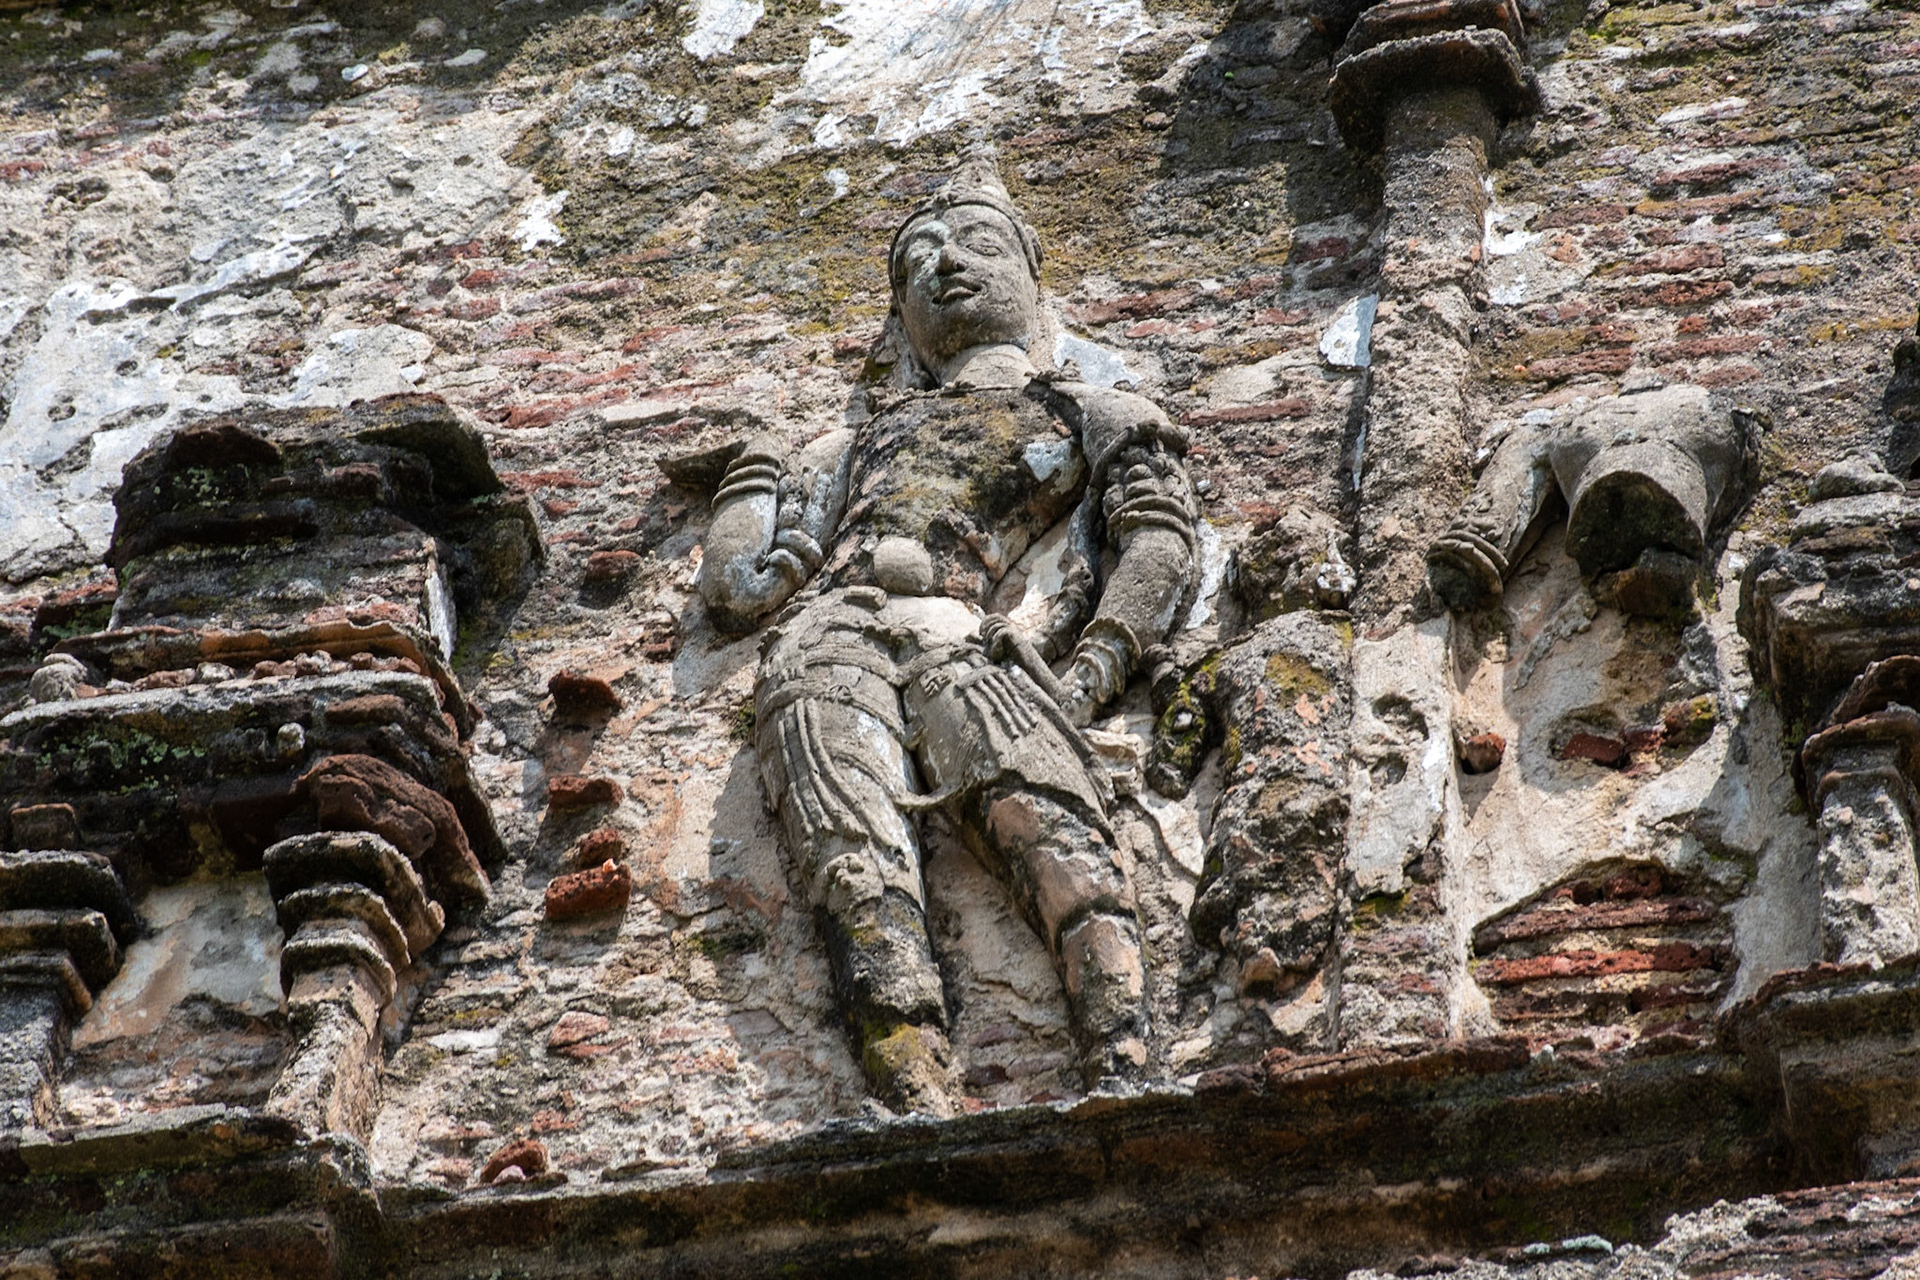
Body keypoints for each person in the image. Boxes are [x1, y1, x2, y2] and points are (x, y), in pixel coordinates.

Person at [699, 159, 1199, 1114]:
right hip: (826, 637)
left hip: (965, 632)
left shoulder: (1091, 408)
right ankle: (911, 1089)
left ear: (1030, 272)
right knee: (854, 864)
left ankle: (1123, 1066)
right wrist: (756, 480)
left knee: (1049, 816)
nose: (945, 268)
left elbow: (1158, 542)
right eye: (916, 261)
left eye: (977, 244)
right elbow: (734, 594)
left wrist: (1092, 669)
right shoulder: (853, 439)